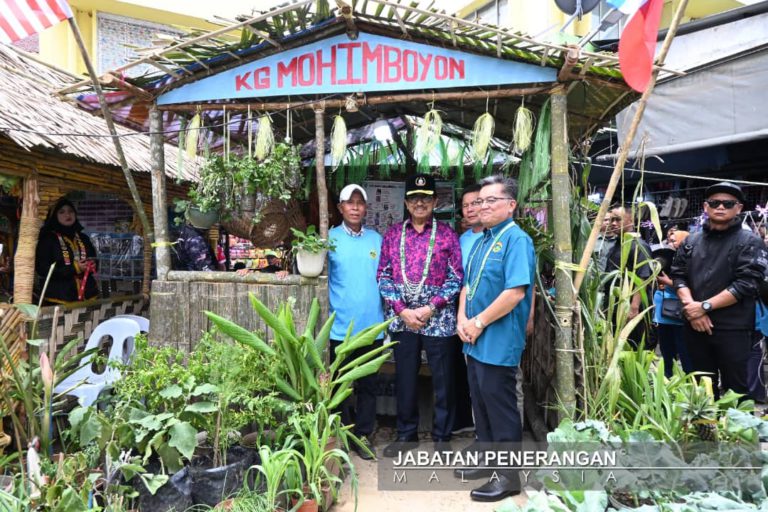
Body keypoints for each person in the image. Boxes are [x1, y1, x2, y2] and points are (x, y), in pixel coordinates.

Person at [455, 175, 535, 502]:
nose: (482, 206)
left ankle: (508, 476)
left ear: (510, 205)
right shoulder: (484, 239)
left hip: (498, 340)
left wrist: (478, 321)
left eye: (491, 200)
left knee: (501, 410)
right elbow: (467, 285)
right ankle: (490, 461)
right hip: (473, 339)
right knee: (481, 404)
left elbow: (515, 292)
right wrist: (462, 318)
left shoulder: (516, 240)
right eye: (479, 201)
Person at [377, 173, 463, 457]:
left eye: (425, 199)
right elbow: (383, 275)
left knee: (443, 379)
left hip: (438, 318)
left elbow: (456, 277)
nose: (419, 203)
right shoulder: (392, 235)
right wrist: (402, 310)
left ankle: (442, 437)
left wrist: (431, 307)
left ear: (435, 201)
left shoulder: (448, 234)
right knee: (405, 377)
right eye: (414, 198)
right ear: (406, 202)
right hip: (403, 319)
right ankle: (406, 434)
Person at [671, 182, 768, 399]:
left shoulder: (750, 242)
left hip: (733, 329)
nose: (720, 207)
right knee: (700, 391)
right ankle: (704, 432)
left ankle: (736, 434)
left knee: (737, 392)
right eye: (715, 203)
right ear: (706, 207)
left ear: (739, 208)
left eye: (728, 203)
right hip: (694, 326)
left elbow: (747, 283)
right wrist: (692, 309)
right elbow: (678, 275)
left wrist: (704, 307)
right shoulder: (691, 241)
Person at [327, 184, 385, 461]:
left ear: (366, 208)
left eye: (360, 202)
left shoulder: (377, 239)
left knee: (367, 386)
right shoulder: (328, 239)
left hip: (372, 326)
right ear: (340, 208)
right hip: (339, 328)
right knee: (339, 387)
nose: (355, 207)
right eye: (349, 202)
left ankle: (363, 436)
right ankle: (342, 435)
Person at [603, 206, 654, 349]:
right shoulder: (618, 244)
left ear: (630, 221)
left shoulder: (638, 245)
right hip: (617, 305)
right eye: (611, 220)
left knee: (633, 346)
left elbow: (642, 277)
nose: (613, 223)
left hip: (631, 306)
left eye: (618, 220)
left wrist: (634, 307)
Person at [35, 197, 99, 304]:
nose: (68, 215)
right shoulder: (48, 239)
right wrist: (75, 268)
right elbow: (42, 269)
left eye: (70, 211)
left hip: (88, 295)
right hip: (59, 298)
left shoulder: (83, 238)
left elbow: (94, 258)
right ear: (55, 215)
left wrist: (93, 264)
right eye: (62, 212)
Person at [653, 230, 692, 377]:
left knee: (684, 351)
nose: (671, 243)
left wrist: (667, 282)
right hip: (664, 315)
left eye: (674, 240)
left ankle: (689, 380)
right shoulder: (667, 257)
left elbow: (689, 285)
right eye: (669, 240)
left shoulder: (689, 259)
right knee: (666, 350)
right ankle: (668, 379)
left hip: (680, 314)